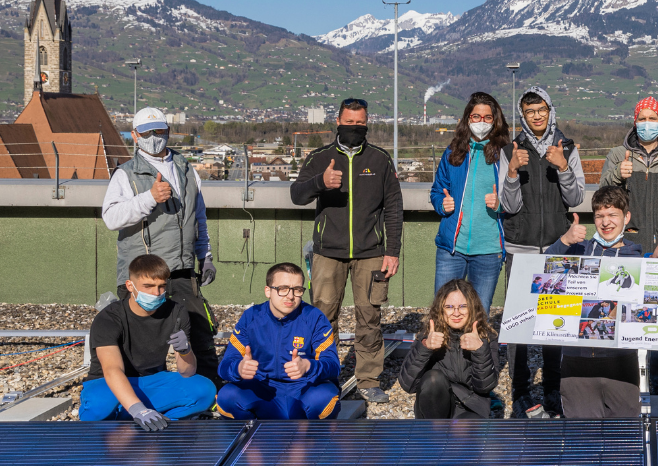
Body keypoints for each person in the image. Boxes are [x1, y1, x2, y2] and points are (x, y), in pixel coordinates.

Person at [290, 98, 403, 404]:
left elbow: (393, 208)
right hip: (328, 252)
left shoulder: (380, 159)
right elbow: (297, 195)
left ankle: (368, 378)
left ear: (367, 123)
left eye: (360, 123)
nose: (355, 128)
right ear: (337, 122)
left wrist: (392, 251)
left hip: (371, 252)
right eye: (349, 122)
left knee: (370, 316)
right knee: (324, 318)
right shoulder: (319, 157)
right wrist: (321, 182)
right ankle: (324, 378)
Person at [102, 106, 219, 385]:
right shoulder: (125, 174)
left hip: (181, 271)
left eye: (159, 131)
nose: (154, 137)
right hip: (144, 274)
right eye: (147, 133)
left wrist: (206, 255)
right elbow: (111, 218)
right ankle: (134, 393)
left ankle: (207, 391)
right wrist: (149, 198)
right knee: (139, 338)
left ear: (168, 132)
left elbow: (197, 217)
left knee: (198, 332)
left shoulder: (186, 168)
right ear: (134, 136)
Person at [500, 86, 585, 417]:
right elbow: (508, 205)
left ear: (550, 111)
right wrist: (511, 173)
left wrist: (563, 166)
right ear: (522, 115)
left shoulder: (567, 147)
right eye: (530, 111)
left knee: (554, 321)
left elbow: (576, 198)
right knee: (519, 325)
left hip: (557, 247)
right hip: (520, 248)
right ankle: (520, 390)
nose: (537, 116)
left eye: (542, 110)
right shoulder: (511, 149)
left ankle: (553, 388)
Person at [79, 254, 216, 431]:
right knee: (100, 405)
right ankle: (140, 413)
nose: (156, 293)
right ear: (130, 286)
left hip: (152, 381)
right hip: (107, 382)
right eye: (148, 286)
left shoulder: (177, 312)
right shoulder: (109, 318)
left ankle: (148, 419)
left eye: (161, 286)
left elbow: (187, 371)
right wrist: (139, 410)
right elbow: (112, 369)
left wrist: (185, 350)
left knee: (204, 390)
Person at [544, 186, 643, 418]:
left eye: (612, 215)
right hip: (576, 360)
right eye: (599, 216)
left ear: (626, 218)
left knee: (624, 435)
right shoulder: (577, 249)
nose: (606, 222)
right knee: (583, 437)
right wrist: (564, 241)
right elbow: (541, 272)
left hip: (620, 360)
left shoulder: (638, 257)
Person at [215, 263, 341, 420]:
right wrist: (239, 368)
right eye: (283, 289)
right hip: (263, 390)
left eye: (297, 289)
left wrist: (308, 366)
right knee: (226, 396)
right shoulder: (251, 317)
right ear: (268, 291)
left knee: (325, 398)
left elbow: (334, 366)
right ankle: (252, 434)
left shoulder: (314, 317)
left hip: (303, 389)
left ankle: (309, 437)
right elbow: (225, 366)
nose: (290, 296)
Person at [431, 92, 510, 313]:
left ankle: (474, 350)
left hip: (488, 250)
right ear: (468, 119)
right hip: (452, 250)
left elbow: (518, 199)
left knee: (478, 315)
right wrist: (441, 203)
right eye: (476, 116)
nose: (481, 122)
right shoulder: (452, 152)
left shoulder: (505, 154)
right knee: (444, 313)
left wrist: (500, 204)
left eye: (487, 118)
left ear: (495, 121)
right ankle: (446, 350)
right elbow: (437, 190)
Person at [599, 96, 658, 256]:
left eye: (652, 118)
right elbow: (602, 194)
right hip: (627, 244)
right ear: (635, 122)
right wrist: (617, 174)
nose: (647, 123)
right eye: (642, 118)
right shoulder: (618, 155)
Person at [398, 279, 500, 419]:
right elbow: (407, 385)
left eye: (463, 306)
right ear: (441, 309)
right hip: (435, 406)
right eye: (449, 307)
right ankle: (435, 434)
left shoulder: (486, 337)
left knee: (464, 433)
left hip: (470, 407)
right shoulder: (429, 335)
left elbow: (485, 387)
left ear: (473, 308)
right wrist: (425, 348)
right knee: (433, 378)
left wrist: (479, 351)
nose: (456, 313)